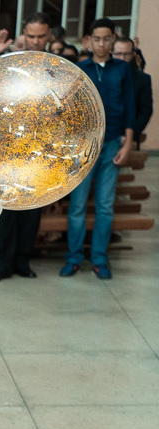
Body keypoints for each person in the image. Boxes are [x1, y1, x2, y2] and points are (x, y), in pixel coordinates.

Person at [63, 18, 135, 280]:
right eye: (97, 39)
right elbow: (69, 109)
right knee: (78, 207)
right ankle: (73, 259)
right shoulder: (80, 70)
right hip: (84, 145)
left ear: (113, 40)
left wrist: (128, 141)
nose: (102, 43)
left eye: (107, 39)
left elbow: (129, 105)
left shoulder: (123, 70)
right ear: (88, 41)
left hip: (113, 143)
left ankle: (100, 259)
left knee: (105, 206)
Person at [114, 37, 152, 144]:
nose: (122, 58)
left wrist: (129, 135)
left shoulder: (143, 79)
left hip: (129, 139)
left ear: (133, 54)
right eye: (118, 54)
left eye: (126, 55)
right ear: (111, 53)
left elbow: (145, 111)